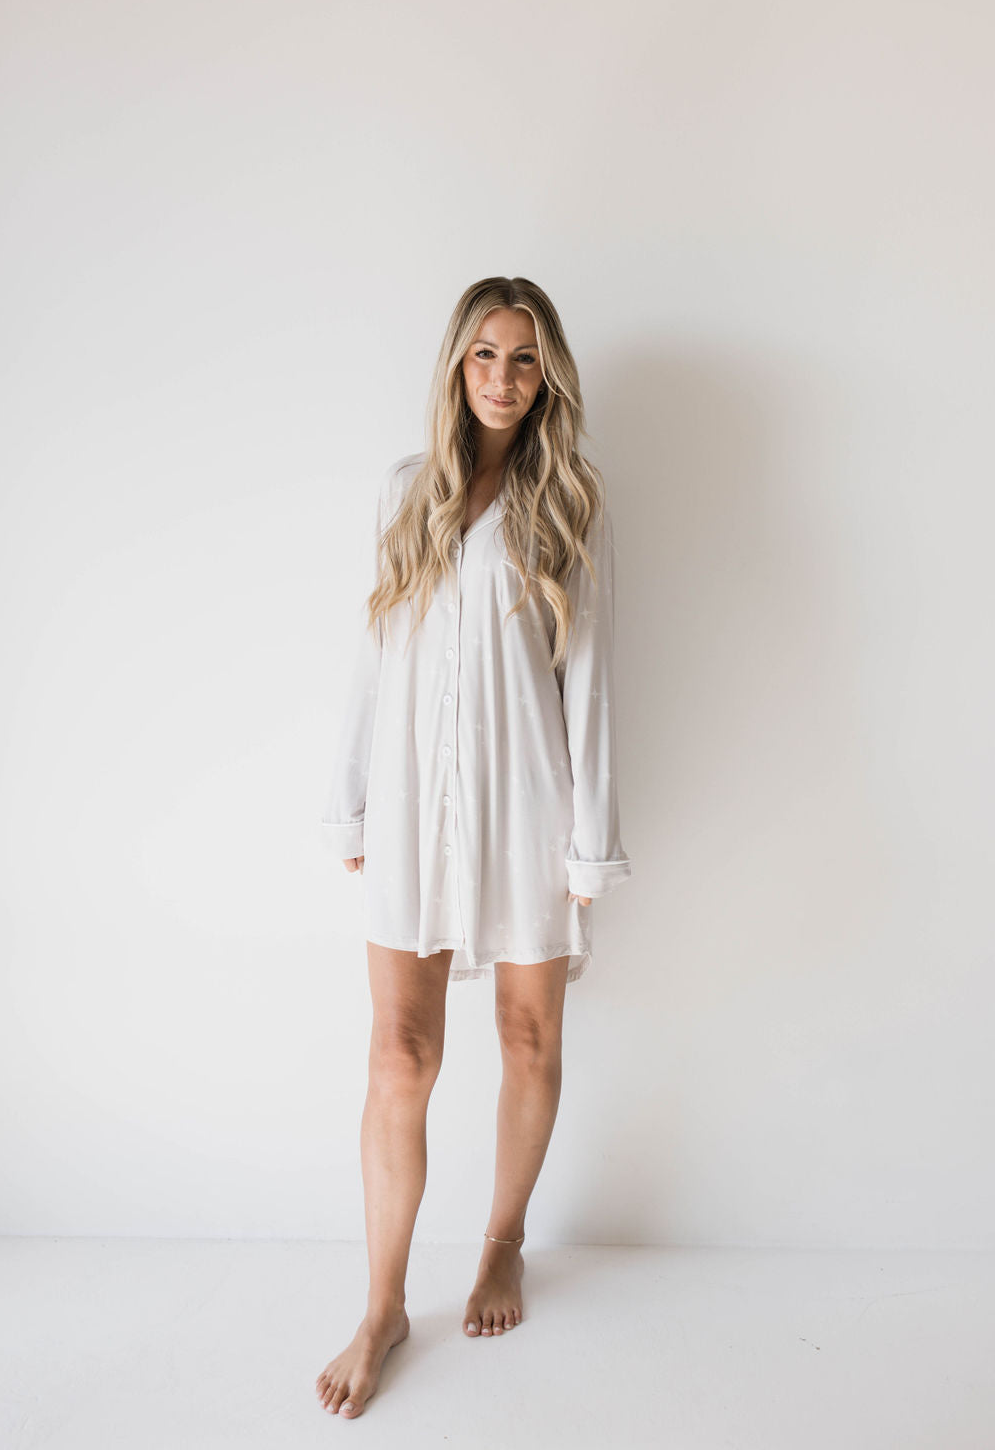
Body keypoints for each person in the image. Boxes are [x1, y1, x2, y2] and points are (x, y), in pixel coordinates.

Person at [316, 275, 632, 1417]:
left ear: (549, 377)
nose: (503, 378)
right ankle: (383, 1303)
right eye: (485, 355)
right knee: (399, 1053)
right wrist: (349, 803)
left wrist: (588, 850)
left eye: (526, 359)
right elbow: (373, 651)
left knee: (525, 1035)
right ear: (457, 365)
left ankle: (502, 1240)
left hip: (523, 808)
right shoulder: (409, 491)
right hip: (410, 806)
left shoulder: (572, 501)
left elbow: (590, 684)